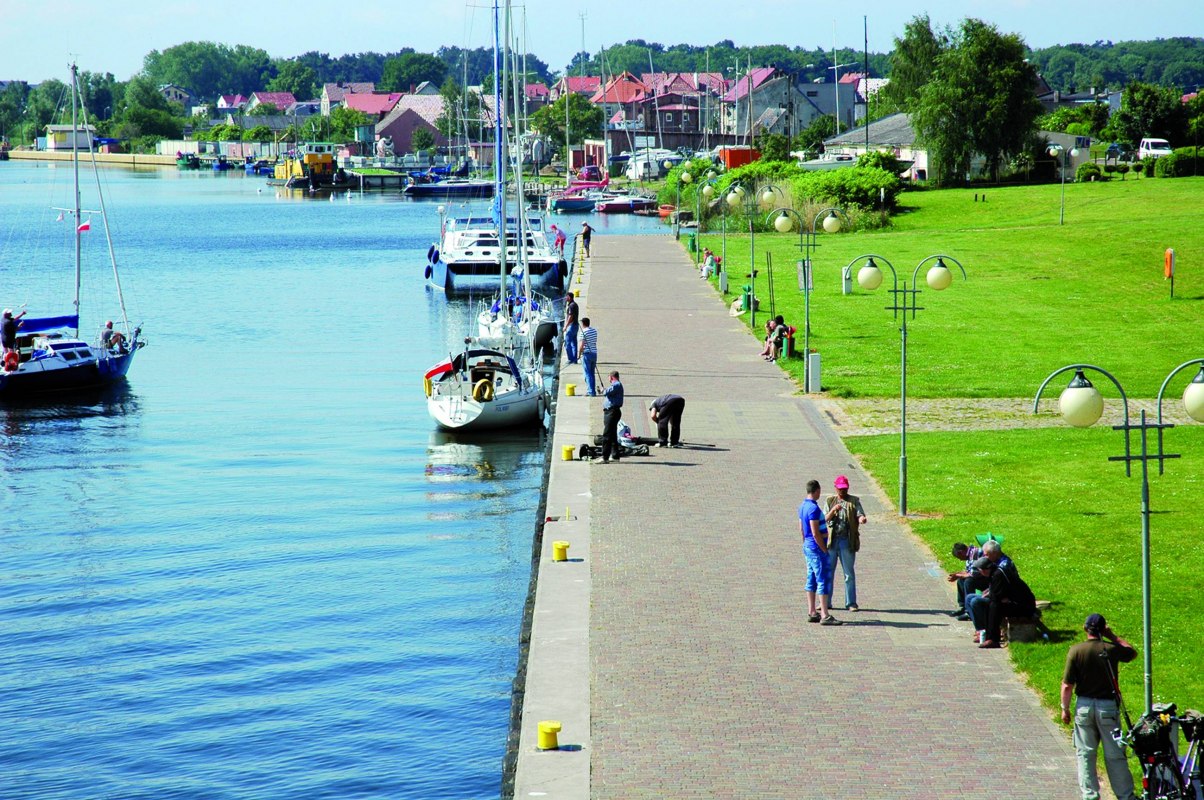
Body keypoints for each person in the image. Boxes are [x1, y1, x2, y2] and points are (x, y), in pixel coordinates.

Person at [1061, 614, 1138, 800]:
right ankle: (1125, 795)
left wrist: (1065, 708)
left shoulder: (1076, 650)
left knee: (1085, 754)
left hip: (1084, 707)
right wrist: (1112, 636)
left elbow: (1067, 685)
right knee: (1115, 755)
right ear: (1103, 629)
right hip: (1108, 708)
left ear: (1084, 628)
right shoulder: (1111, 649)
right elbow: (1131, 652)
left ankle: (1090, 795)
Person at [971, 549, 1036, 648]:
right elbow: (998, 595)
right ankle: (988, 636)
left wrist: (999, 597)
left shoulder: (998, 575)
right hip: (1016, 602)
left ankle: (993, 639)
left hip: (1024, 606)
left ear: (984, 570)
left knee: (994, 606)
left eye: (979, 570)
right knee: (991, 604)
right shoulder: (995, 573)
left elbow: (996, 596)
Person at [822, 475, 867, 612]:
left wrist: (862, 519)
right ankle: (826, 602)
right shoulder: (830, 500)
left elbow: (860, 514)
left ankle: (851, 603)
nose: (843, 491)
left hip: (847, 542)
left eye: (845, 489)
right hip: (832, 542)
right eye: (840, 489)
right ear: (835, 488)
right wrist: (833, 510)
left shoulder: (854, 501)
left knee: (849, 574)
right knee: (828, 572)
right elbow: (824, 519)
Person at [800, 479, 841, 626]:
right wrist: (823, 549)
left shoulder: (803, 506)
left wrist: (805, 543)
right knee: (822, 579)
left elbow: (802, 529)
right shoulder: (813, 509)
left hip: (808, 547)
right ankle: (825, 614)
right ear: (816, 490)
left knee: (811, 578)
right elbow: (815, 531)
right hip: (817, 549)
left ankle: (812, 611)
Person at [945, 542, 984, 618]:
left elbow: (973, 573)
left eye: (959, 557)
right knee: (961, 580)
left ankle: (969, 611)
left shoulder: (974, 554)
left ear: (961, 552)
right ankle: (964, 607)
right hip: (980, 576)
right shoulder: (969, 554)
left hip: (987, 578)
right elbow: (968, 570)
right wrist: (957, 574)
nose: (960, 560)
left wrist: (958, 575)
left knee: (968, 581)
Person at [596, 370, 624, 463]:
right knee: (612, 434)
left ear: (612, 377)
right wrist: (602, 391)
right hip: (610, 412)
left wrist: (604, 390)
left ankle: (605, 457)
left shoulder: (616, 385)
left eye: (609, 378)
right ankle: (615, 455)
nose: (609, 380)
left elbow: (607, 391)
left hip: (612, 412)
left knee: (606, 435)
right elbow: (607, 393)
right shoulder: (615, 386)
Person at [578, 317, 598, 396]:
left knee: (587, 373)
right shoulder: (594, 331)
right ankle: (592, 390)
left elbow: (581, 345)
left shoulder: (583, 332)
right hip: (594, 353)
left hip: (586, 354)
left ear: (583, 324)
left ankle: (591, 391)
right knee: (592, 373)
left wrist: (579, 354)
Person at [563, 292, 580, 364]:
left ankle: (570, 358)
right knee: (574, 343)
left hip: (572, 326)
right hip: (576, 325)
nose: (565, 298)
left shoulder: (571, 306)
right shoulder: (575, 304)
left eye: (566, 297)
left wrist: (565, 326)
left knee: (567, 343)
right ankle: (574, 359)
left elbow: (570, 316)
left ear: (569, 297)